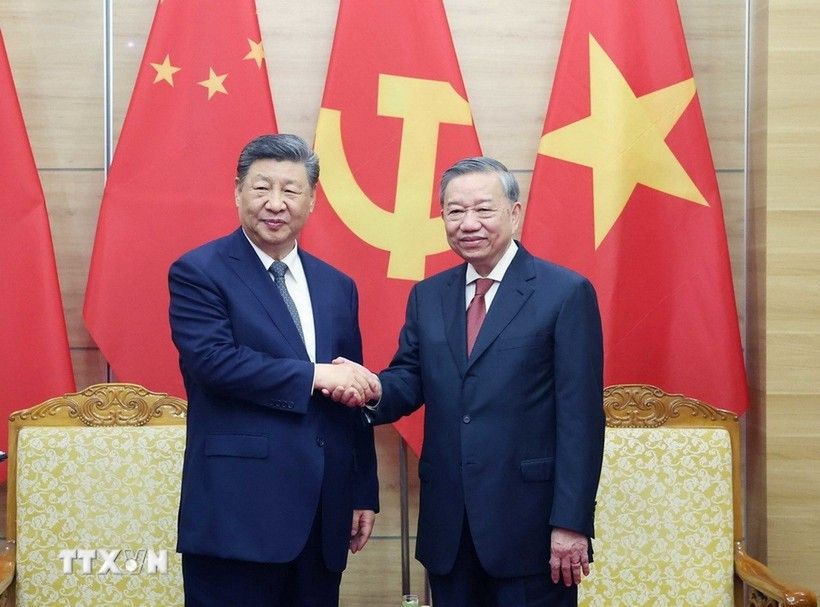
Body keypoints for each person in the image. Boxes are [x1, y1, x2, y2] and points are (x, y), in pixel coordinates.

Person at [342, 157, 605, 606]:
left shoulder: (564, 293)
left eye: (483, 210)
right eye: (454, 211)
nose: (468, 223)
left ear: (514, 213)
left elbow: (581, 419)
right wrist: (369, 388)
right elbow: (410, 377)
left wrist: (571, 522)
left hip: (531, 528)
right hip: (449, 526)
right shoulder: (428, 295)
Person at [168, 134, 380, 607]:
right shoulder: (200, 271)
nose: (276, 203)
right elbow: (214, 363)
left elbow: (351, 394)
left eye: (291, 190)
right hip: (238, 512)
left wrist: (361, 488)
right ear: (238, 192)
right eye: (262, 188)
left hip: (323, 512)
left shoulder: (336, 285)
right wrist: (314, 375)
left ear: (312, 199)